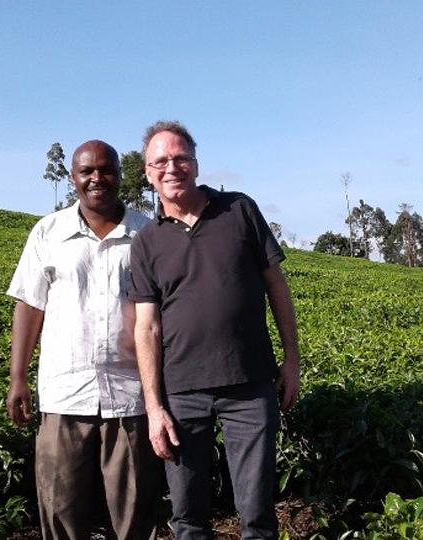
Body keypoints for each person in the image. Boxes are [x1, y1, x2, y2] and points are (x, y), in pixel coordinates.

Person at [129, 121, 300, 539]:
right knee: (188, 516)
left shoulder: (239, 210)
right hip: (182, 393)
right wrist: (154, 407)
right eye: (160, 162)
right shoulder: (147, 242)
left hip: (250, 384)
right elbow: (146, 327)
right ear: (148, 173)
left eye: (180, 158)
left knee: (257, 512)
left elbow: (276, 286)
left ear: (196, 163)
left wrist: (291, 358)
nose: (172, 168)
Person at [5, 140, 159, 540]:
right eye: (86, 171)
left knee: (133, 512)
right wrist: (17, 377)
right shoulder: (48, 232)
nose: (97, 178)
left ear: (120, 175)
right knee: (60, 508)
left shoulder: (147, 234)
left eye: (105, 170)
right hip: (64, 392)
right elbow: (29, 306)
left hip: (131, 395)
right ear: (72, 178)